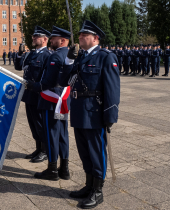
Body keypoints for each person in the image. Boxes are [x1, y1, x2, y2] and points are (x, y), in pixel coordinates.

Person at [68, 20, 120, 209]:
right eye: (80, 34)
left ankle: (98, 191)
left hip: (95, 113)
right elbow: (65, 80)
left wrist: (110, 116)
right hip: (79, 111)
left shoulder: (106, 56)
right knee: (84, 152)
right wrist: (69, 60)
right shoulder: (79, 57)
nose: (80, 37)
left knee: (96, 152)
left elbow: (112, 89)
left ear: (95, 38)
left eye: (84, 35)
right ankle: (89, 185)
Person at [28, 26, 74, 181]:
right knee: (63, 135)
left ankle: (52, 169)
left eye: (54, 38)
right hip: (63, 102)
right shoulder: (68, 55)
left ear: (62, 40)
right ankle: (65, 168)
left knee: (51, 135)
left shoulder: (55, 56)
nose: (51, 40)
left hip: (51, 102)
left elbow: (48, 82)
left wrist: (32, 86)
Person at [14, 26, 52, 163]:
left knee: (40, 124)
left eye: (37, 37)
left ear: (45, 39)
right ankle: (38, 148)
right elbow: (19, 67)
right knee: (33, 123)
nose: (34, 38)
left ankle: (44, 151)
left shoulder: (47, 56)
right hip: (28, 94)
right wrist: (19, 53)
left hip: (39, 95)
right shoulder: (31, 54)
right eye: (33, 36)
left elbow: (47, 78)